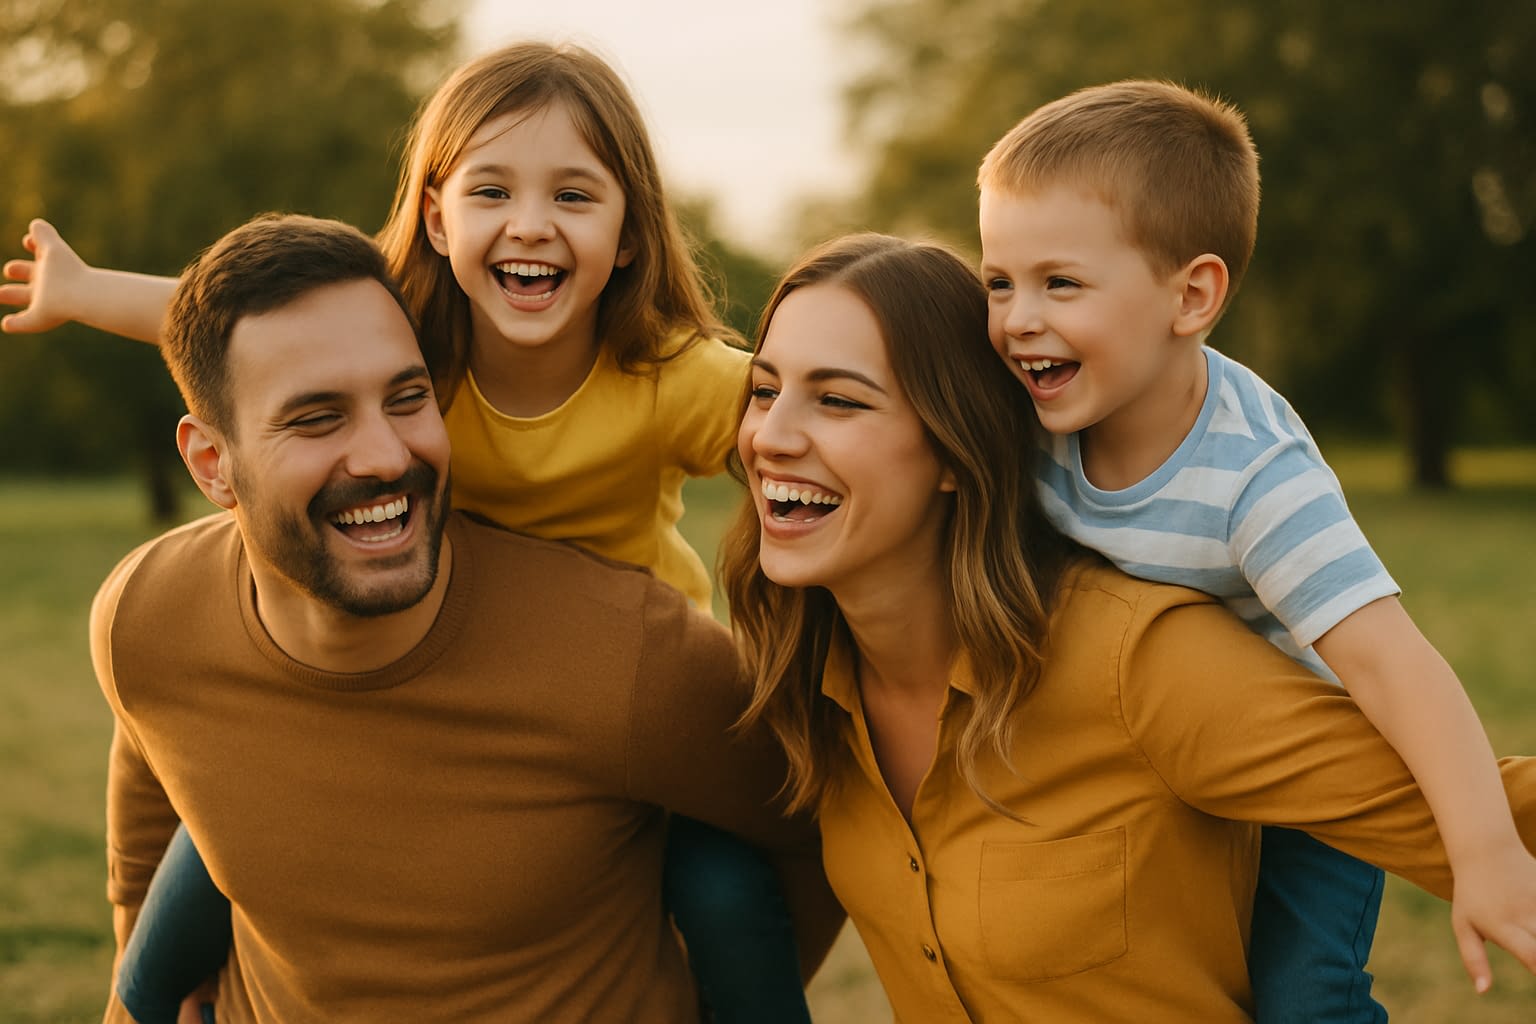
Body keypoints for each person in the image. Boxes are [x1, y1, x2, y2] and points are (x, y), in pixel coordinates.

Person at [1, 43, 810, 1024]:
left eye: (574, 197)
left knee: (724, 888)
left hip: (612, 686)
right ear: (436, 215)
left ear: (631, 233)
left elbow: (804, 431)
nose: (530, 225)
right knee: (219, 849)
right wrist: (83, 294)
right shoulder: (415, 340)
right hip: (413, 619)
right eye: (492, 191)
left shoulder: (673, 377)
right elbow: (236, 327)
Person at [718, 231, 1536, 1022]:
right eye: (764, 390)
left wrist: (1493, 856)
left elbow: (1481, 807)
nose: (772, 437)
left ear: (954, 452)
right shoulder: (795, 683)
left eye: (837, 400)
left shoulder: (1137, 660)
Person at [973, 79, 1536, 1020]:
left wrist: (1483, 854)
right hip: (1138, 761)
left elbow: (1396, 667)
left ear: (1191, 295)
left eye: (1059, 282)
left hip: (1294, 768)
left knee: (1300, 994)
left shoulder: (1255, 476)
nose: (1016, 318)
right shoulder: (1027, 414)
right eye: (999, 281)